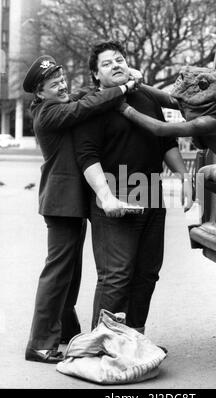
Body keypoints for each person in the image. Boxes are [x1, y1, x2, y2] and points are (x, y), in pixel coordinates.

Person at [23, 55, 138, 363]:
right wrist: (124, 86)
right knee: (58, 272)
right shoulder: (48, 112)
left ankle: (64, 332)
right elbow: (86, 106)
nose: (61, 86)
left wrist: (118, 81)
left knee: (69, 273)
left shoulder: (58, 104)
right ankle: (39, 343)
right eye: (53, 84)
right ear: (39, 93)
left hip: (68, 202)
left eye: (62, 80)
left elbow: (87, 97)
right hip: (61, 202)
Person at [74, 41, 193, 333]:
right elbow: (87, 157)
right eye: (106, 63)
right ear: (96, 76)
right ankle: (102, 343)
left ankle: (134, 338)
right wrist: (105, 196)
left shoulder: (145, 99)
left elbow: (166, 142)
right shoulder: (93, 106)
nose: (116, 65)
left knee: (147, 273)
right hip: (115, 196)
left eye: (119, 59)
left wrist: (185, 177)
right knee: (116, 275)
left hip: (151, 192)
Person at [118, 66, 216, 229]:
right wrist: (134, 84)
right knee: (205, 179)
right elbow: (170, 100)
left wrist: (125, 109)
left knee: (207, 174)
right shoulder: (212, 110)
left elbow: (160, 129)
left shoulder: (208, 122)